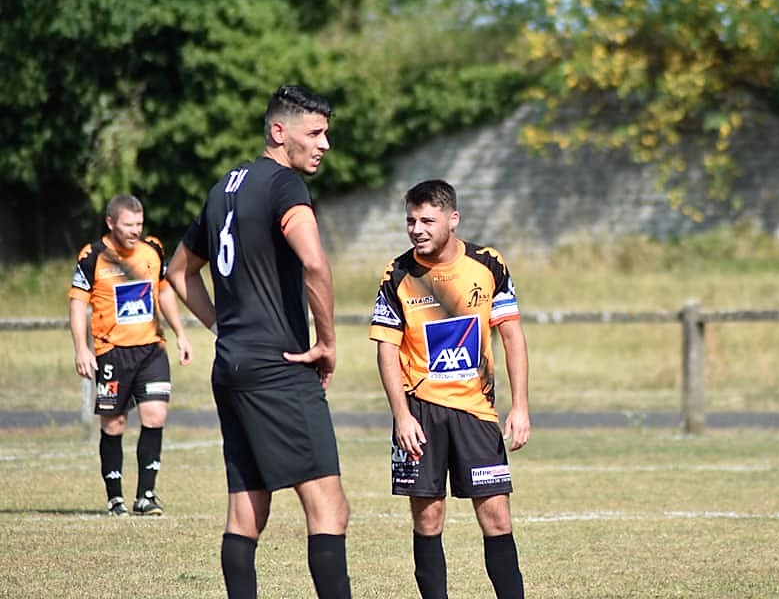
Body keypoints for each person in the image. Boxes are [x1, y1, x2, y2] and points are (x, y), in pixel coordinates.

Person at [165, 84, 351, 599]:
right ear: (278, 131)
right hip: (279, 366)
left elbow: (178, 273)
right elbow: (314, 262)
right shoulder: (284, 186)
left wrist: (223, 327)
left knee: (248, 505)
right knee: (329, 507)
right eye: (314, 133)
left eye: (326, 134)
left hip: (232, 368)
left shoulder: (223, 187)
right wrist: (328, 342)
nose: (324, 144)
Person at [369, 179, 531, 599]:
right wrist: (401, 416)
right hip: (419, 411)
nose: (417, 229)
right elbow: (386, 350)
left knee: (496, 518)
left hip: (476, 412)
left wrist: (521, 407)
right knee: (428, 520)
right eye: (410, 221)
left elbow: (512, 336)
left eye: (427, 220)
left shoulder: (488, 264)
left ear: (452, 219)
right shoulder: (398, 273)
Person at [69, 194, 193, 517]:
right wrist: (81, 347)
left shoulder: (153, 250)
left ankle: (146, 496)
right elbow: (78, 303)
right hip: (112, 353)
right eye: (128, 225)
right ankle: (115, 498)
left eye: (139, 224)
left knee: (155, 416)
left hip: (151, 349)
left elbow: (164, 291)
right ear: (111, 223)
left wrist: (180, 334)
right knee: (114, 424)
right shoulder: (92, 256)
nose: (135, 231)